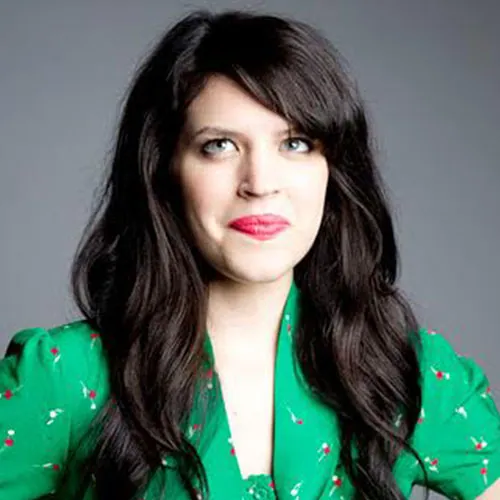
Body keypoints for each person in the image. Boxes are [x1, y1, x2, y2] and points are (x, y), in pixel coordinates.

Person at [0, 9, 499, 500]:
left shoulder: (402, 372)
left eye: (297, 143)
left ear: (333, 170)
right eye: (219, 145)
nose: (260, 184)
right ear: (164, 171)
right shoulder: (66, 375)